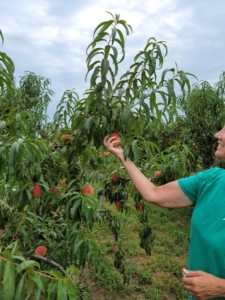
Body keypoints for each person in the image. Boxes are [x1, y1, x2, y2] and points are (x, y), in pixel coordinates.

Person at [103, 127, 225, 300]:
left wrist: (221, 288)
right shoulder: (211, 180)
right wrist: (123, 156)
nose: (217, 134)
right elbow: (154, 193)